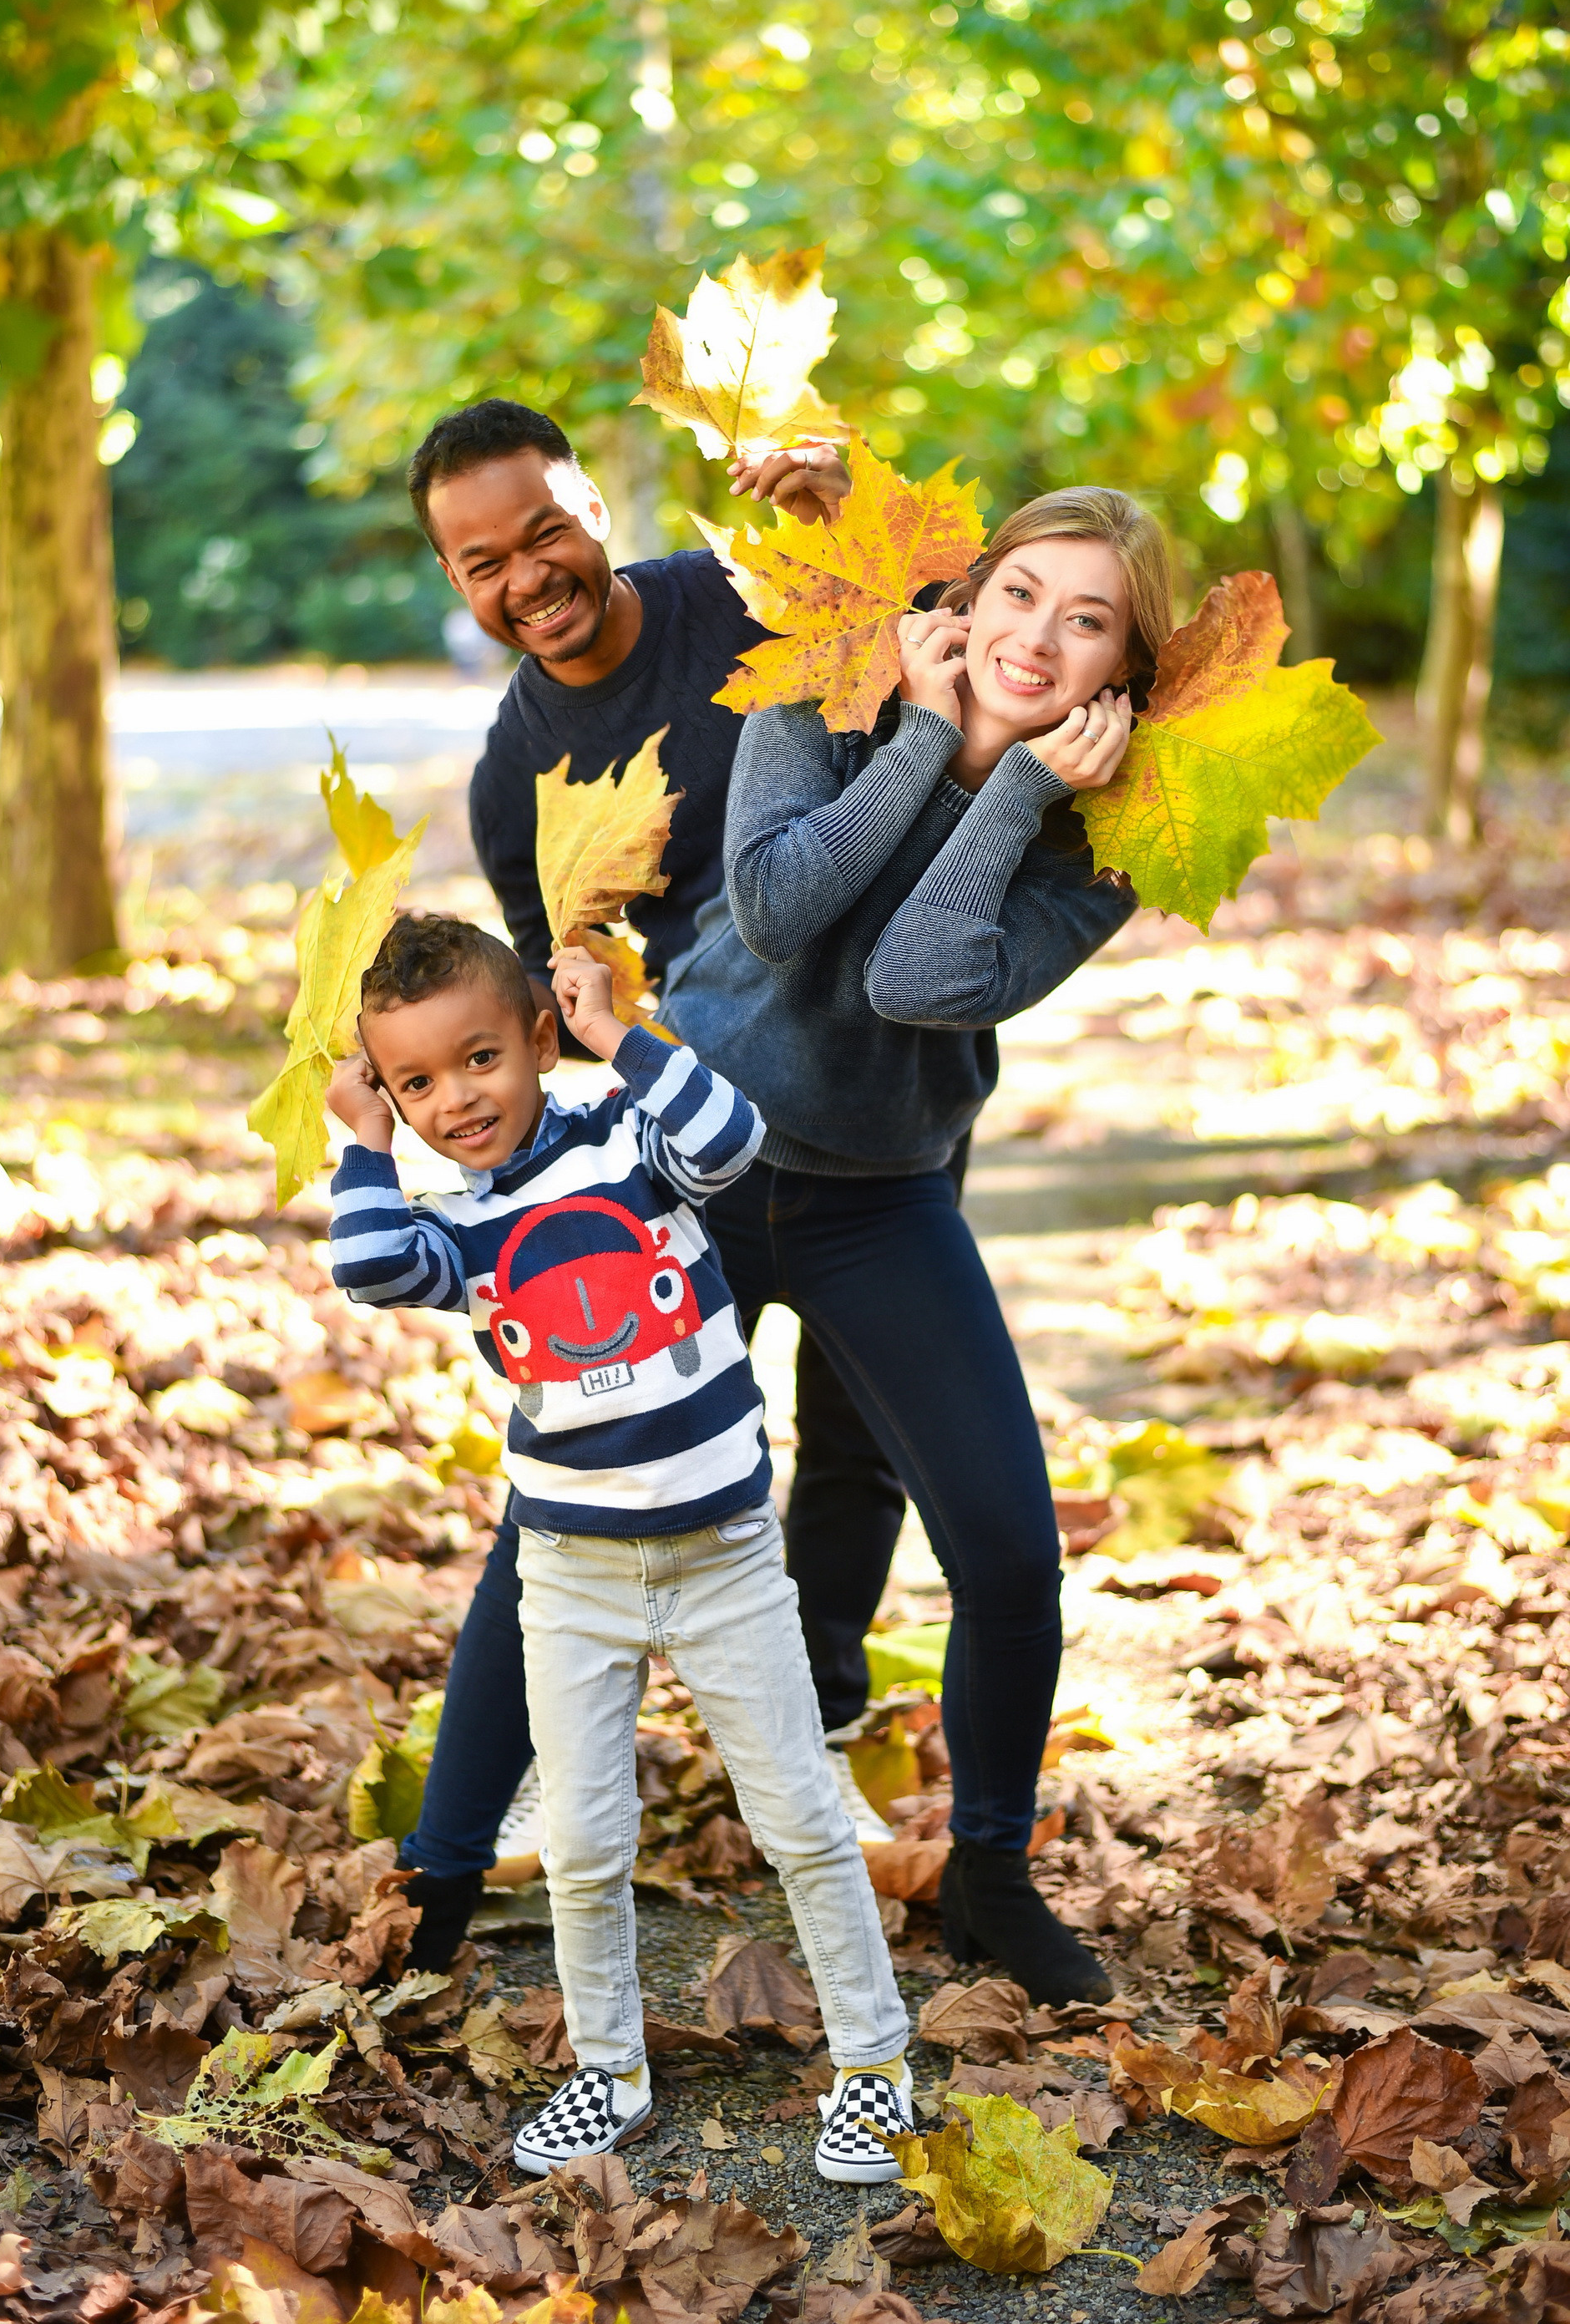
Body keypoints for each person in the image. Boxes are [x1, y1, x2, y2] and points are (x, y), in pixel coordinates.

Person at [397, 400, 910, 1953]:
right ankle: (492, 1804)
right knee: (597, 1448)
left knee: (859, 1436)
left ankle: (808, 1724)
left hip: (858, 1090)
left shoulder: (750, 591)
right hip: (673, 1156)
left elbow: (934, 674)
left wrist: (846, 519)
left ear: (592, 504)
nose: (526, 577)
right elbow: (553, 999)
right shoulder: (513, 781)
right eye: (481, 562)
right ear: (457, 577)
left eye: (544, 530)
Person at [656, 488, 1173, 2005]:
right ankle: (462, 1842)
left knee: (1009, 1548)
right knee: (589, 1501)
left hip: (884, 1189)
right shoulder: (826, 681)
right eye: (1022, 593)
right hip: (691, 1155)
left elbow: (914, 977)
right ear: (973, 592)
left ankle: (992, 1881)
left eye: (1089, 622)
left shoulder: (1117, 828)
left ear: (1122, 670)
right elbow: (774, 908)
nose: (1040, 638)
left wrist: (1003, 790)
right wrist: (925, 749)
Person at [323, 913, 913, 2181]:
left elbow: (734, 1138)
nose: (454, 1099)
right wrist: (363, 1142)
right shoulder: (455, 1223)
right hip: (572, 1575)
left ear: (537, 1034)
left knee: (802, 1820)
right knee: (588, 1844)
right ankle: (609, 2069)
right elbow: (368, 1268)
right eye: (415, 1081)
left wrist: (619, 1036)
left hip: (723, 1558)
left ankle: (873, 2064)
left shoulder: (627, 1143)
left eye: (479, 1059)